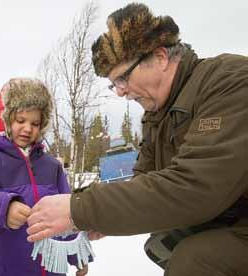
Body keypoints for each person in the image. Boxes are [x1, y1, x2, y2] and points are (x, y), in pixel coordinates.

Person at [26, 3, 248, 276]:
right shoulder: (157, 114)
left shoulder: (229, 82)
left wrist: (80, 209)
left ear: (160, 56)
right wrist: (100, 217)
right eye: (114, 84)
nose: (120, 92)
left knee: (197, 260)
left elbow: (196, 187)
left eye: (123, 78)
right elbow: (147, 182)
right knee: (172, 246)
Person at [0, 78, 91, 276]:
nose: (27, 128)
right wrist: (2, 208)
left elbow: (66, 213)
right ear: (6, 119)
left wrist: (77, 254)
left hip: (50, 269)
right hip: (4, 267)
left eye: (35, 123)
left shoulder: (52, 167)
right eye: (20, 120)